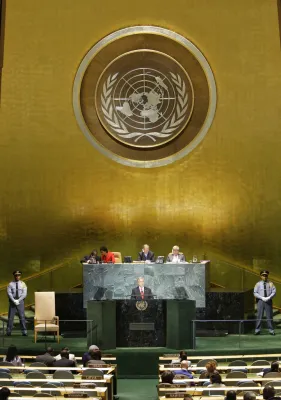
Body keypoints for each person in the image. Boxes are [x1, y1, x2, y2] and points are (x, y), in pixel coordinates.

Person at [254, 270, 276, 335]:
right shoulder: (258, 284)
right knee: (259, 316)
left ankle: (271, 330)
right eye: (263, 275)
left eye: (266, 275)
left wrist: (269, 297)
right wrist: (261, 297)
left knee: (269, 316)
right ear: (260, 276)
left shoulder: (271, 283)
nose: (265, 277)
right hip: (260, 301)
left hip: (268, 300)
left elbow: (274, 292)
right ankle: (257, 330)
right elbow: (255, 292)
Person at [6, 271, 27, 336]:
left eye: (19, 275)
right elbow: (9, 293)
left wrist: (18, 300)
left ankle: (24, 332)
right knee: (10, 317)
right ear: (14, 276)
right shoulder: (10, 284)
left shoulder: (23, 284)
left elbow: (24, 294)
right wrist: (14, 300)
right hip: (12, 302)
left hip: (20, 301)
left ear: (20, 276)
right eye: (16, 275)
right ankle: (8, 331)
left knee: (22, 316)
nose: (17, 276)